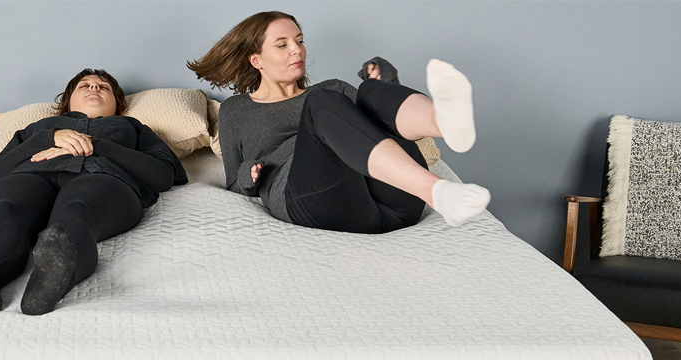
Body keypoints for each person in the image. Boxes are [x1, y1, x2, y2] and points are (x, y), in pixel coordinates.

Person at [0, 68, 184, 315]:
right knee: (6, 211)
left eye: (104, 87)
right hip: (29, 176)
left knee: (75, 214)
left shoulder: (133, 128)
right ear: (66, 102)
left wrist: (96, 144)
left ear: (118, 104)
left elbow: (162, 176)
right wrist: (46, 138)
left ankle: (53, 279)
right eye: (84, 85)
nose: (94, 88)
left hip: (101, 177)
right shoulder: (35, 129)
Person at [192, 11, 488, 234]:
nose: (297, 50)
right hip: (318, 201)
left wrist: (388, 84)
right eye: (282, 45)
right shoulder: (237, 110)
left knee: (369, 93)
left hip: (399, 203)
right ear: (256, 60)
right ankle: (437, 190)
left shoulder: (334, 88)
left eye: (299, 41)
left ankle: (442, 121)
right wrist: (248, 175)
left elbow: (381, 127)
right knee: (322, 102)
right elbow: (233, 184)